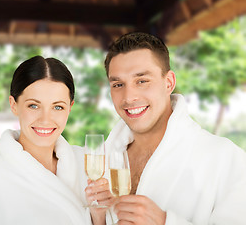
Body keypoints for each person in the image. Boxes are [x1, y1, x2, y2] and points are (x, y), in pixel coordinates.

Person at [85, 32, 246, 224]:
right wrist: (98, 218)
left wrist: (164, 222)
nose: (129, 97)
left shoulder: (227, 160)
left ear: (169, 82)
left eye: (142, 81)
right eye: (118, 84)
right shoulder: (103, 159)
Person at [0, 55, 91, 225]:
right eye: (34, 105)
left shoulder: (86, 163)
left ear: (70, 108)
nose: (46, 119)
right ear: (14, 104)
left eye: (58, 107)